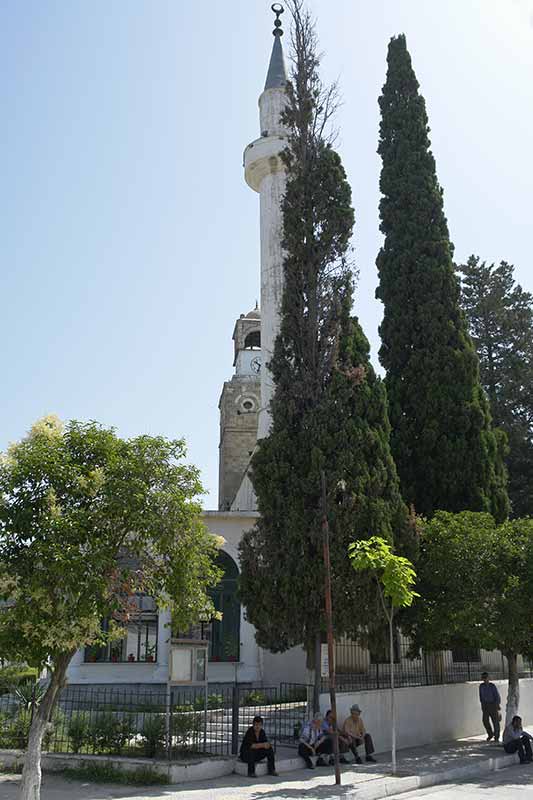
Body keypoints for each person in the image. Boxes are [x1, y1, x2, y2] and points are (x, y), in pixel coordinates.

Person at [479, 672, 501, 742]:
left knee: (495, 721)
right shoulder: (481, 686)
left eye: (486, 678)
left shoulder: (492, 686)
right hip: (485, 705)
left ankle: (496, 736)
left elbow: (497, 696)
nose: (485, 679)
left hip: (493, 704)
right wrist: (482, 705)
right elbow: (481, 696)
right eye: (483, 678)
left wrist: (497, 705)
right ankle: (490, 734)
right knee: (485, 721)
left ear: (488, 678)